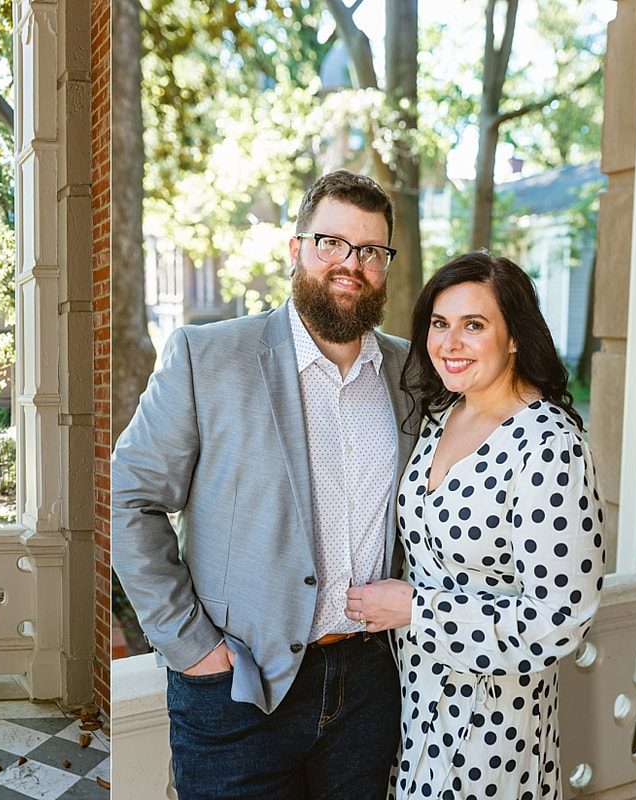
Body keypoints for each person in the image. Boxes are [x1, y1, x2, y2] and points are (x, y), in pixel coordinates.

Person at [112, 169, 418, 799]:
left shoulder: (410, 371)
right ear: (295, 248)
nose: (349, 264)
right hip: (237, 692)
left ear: (385, 265)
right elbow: (129, 497)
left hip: (369, 689)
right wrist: (192, 647)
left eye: (370, 251)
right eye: (330, 243)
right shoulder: (207, 356)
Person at [346, 251, 605, 800]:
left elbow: (562, 618)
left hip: (493, 731)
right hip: (414, 707)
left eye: (474, 325)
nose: (450, 342)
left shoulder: (549, 446)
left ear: (515, 337)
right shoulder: (442, 417)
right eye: (440, 323)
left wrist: (418, 608)